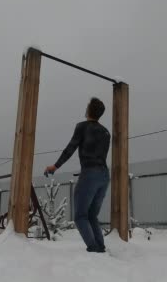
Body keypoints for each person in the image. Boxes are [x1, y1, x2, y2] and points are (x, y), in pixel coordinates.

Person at [44, 97, 111, 253]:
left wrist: (55, 166)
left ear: (88, 111)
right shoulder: (106, 132)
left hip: (90, 174)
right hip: (104, 175)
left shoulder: (82, 127)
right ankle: (100, 247)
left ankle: (94, 248)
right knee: (92, 215)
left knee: (81, 216)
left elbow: (70, 148)